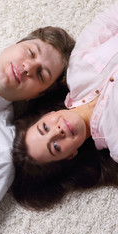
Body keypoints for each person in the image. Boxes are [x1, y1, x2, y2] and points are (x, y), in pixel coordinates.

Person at [0, 26, 75, 234]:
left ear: (37, 95)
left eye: (41, 74)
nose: (28, 66)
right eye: (30, 52)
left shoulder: (0, 151)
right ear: (16, 44)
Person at [12, 1, 118, 210]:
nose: (57, 131)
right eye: (55, 147)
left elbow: (110, 20)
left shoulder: (77, 70)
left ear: (47, 114)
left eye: (45, 128)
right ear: (70, 155)